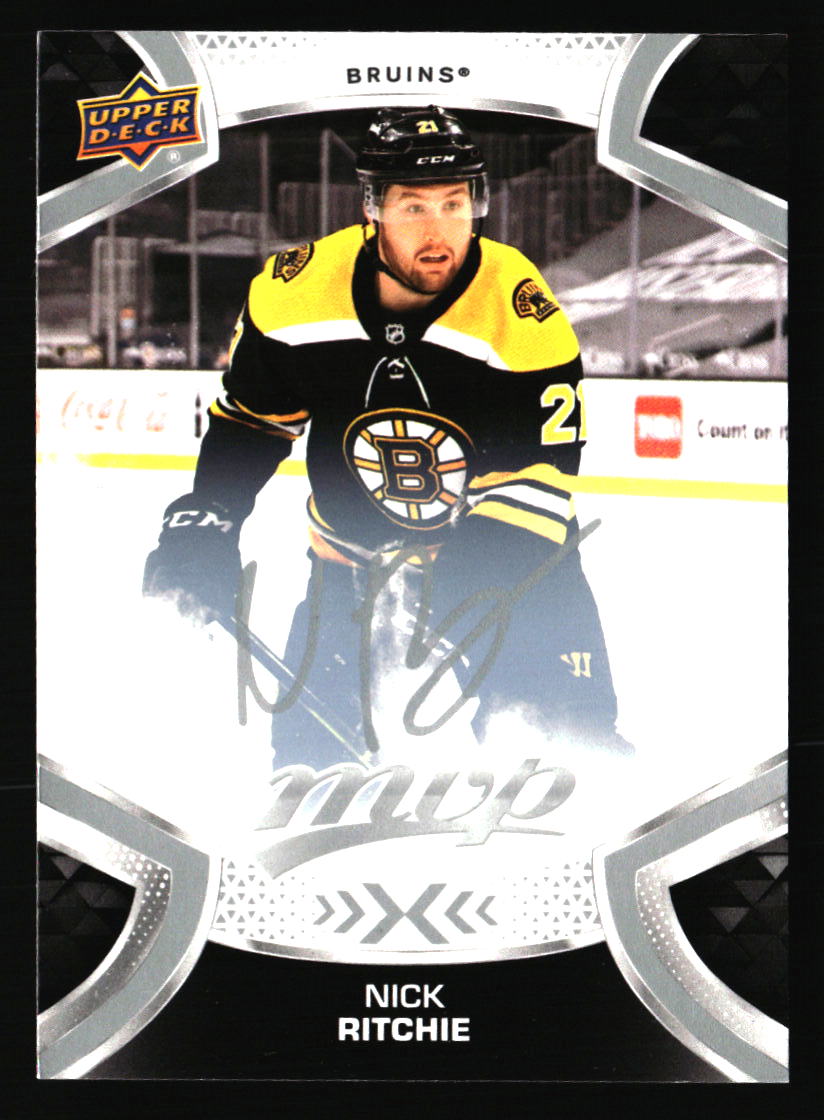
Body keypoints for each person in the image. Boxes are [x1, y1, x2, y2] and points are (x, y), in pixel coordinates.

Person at [144, 106, 622, 770]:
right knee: (310, 766)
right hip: (350, 561)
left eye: (455, 204)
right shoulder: (295, 292)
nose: (439, 230)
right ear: (372, 208)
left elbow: (537, 478)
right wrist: (208, 518)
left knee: (571, 750)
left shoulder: (517, 306)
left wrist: (462, 582)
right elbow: (252, 420)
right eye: (414, 207)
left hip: (514, 567)